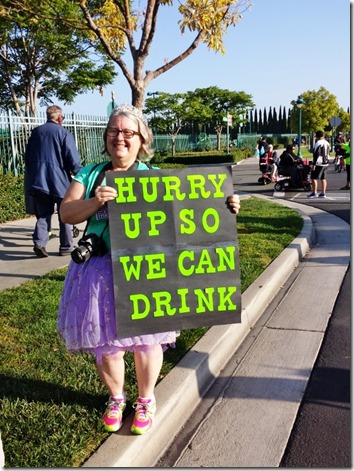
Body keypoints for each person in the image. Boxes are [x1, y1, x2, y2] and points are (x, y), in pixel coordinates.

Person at [57, 104, 241, 436]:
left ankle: (145, 400)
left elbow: (193, 216)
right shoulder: (89, 174)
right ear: (106, 137)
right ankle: (116, 398)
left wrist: (224, 206)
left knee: (146, 340)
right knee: (106, 342)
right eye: (114, 131)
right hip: (99, 272)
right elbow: (67, 212)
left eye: (129, 132)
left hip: (145, 270)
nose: (120, 138)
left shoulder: (154, 178)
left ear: (142, 140)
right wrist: (96, 202)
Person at [24, 105, 82, 257]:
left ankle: (39, 243)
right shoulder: (63, 133)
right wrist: (80, 175)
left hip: (39, 181)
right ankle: (66, 247)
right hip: (59, 181)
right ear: (60, 118)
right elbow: (72, 158)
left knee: (43, 214)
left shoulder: (36, 132)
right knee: (65, 214)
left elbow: (27, 157)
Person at [307, 130, 330, 198]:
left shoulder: (318, 143)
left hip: (319, 163)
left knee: (313, 178)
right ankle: (323, 193)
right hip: (326, 162)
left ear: (317, 136)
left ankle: (314, 192)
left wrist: (314, 164)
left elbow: (316, 154)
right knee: (323, 178)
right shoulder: (327, 143)